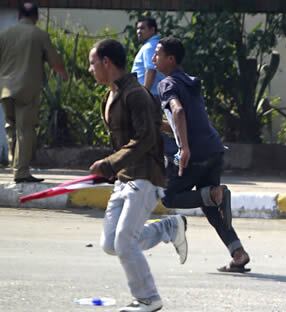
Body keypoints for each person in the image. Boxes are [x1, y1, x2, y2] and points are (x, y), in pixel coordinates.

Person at [88, 39, 187, 312]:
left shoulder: (137, 95)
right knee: (111, 244)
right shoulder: (108, 97)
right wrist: (111, 169)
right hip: (124, 178)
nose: (90, 69)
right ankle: (167, 228)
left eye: (92, 63)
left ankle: (148, 298)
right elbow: (121, 143)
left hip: (146, 175)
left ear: (107, 62)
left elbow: (145, 138)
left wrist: (109, 162)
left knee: (124, 242)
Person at [152, 36, 251, 273]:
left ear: (170, 59)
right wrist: (159, 127)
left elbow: (178, 111)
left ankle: (214, 195)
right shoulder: (189, 81)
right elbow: (183, 121)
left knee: (169, 197)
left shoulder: (166, 84)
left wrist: (184, 148)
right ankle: (238, 253)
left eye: (158, 54)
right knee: (210, 203)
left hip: (194, 154)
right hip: (213, 150)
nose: (154, 58)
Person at [0, 2, 68, 183]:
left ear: (18, 16)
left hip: (5, 89)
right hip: (27, 89)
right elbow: (55, 61)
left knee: (11, 127)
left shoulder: (5, 35)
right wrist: (63, 73)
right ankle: (21, 172)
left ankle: (13, 163)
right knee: (26, 130)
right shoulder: (39, 35)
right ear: (36, 17)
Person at [131, 16, 164, 96]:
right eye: (137, 28)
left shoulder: (150, 46)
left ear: (152, 30)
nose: (138, 31)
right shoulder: (153, 44)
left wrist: (145, 95)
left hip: (150, 95)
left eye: (142, 28)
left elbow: (151, 70)